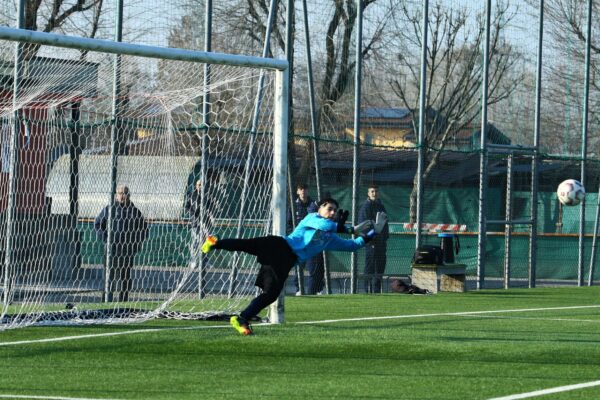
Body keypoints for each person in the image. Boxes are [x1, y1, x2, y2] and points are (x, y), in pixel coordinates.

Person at [201, 197, 385, 335]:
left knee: (270, 293)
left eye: (334, 211)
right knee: (248, 245)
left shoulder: (329, 239)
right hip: (280, 245)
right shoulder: (311, 217)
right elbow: (325, 225)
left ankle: (241, 318)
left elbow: (352, 246)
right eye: (329, 209)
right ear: (320, 208)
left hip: (285, 260)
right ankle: (215, 243)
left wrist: (372, 232)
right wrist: (350, 229)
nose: (332, 212)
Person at [94, 185, 148, 302]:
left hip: (127, 250)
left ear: (129, 195)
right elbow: (98, 224)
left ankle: (123, 301)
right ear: (115, 195)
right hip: (111, 250)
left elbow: (144, 229)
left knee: (125, 277)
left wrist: (135, 243)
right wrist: (105, 239)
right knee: (108, 277)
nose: (122, 196)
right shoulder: (109, 209)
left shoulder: (134, 211)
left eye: (125, 193)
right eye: (120, 193)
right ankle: (106, 301)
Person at [287, 183, 323, 295]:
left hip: (312, 241)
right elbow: (288, 224)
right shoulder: (293, 206)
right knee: (299, 266)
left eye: (305, 189)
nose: (303, 191)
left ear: (308, 191)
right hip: (299, 242)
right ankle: (299, 289)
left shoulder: (313, 205)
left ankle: (316, 289)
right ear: (298, 191)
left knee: (315, 267)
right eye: (300, 189)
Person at [358, 185, 389, 293]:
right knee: (370, 266)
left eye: (376, 191)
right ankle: (367, 290)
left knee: (380, 267)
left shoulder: (381, 206)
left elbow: (385, 222)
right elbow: (364, 225)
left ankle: (376, 290)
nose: (374, 193)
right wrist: (371, 238)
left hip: (381, 243)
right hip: (371, 242)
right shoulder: (365, 207)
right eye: (372, 191)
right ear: (368, 193)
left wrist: (384, 238)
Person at [185, 179, 215, 267]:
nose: (200, 186)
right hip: (195, 222)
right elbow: (187, 207)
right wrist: (193, 214)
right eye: (199, 185)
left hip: (206, 222)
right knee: (195, 242)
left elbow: (211, 207)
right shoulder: (191, 195)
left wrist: (210, 218)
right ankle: (193, 261)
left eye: (201, 185)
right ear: (196, 185)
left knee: (207, 241)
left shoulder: (207, 196)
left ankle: (205, 261)